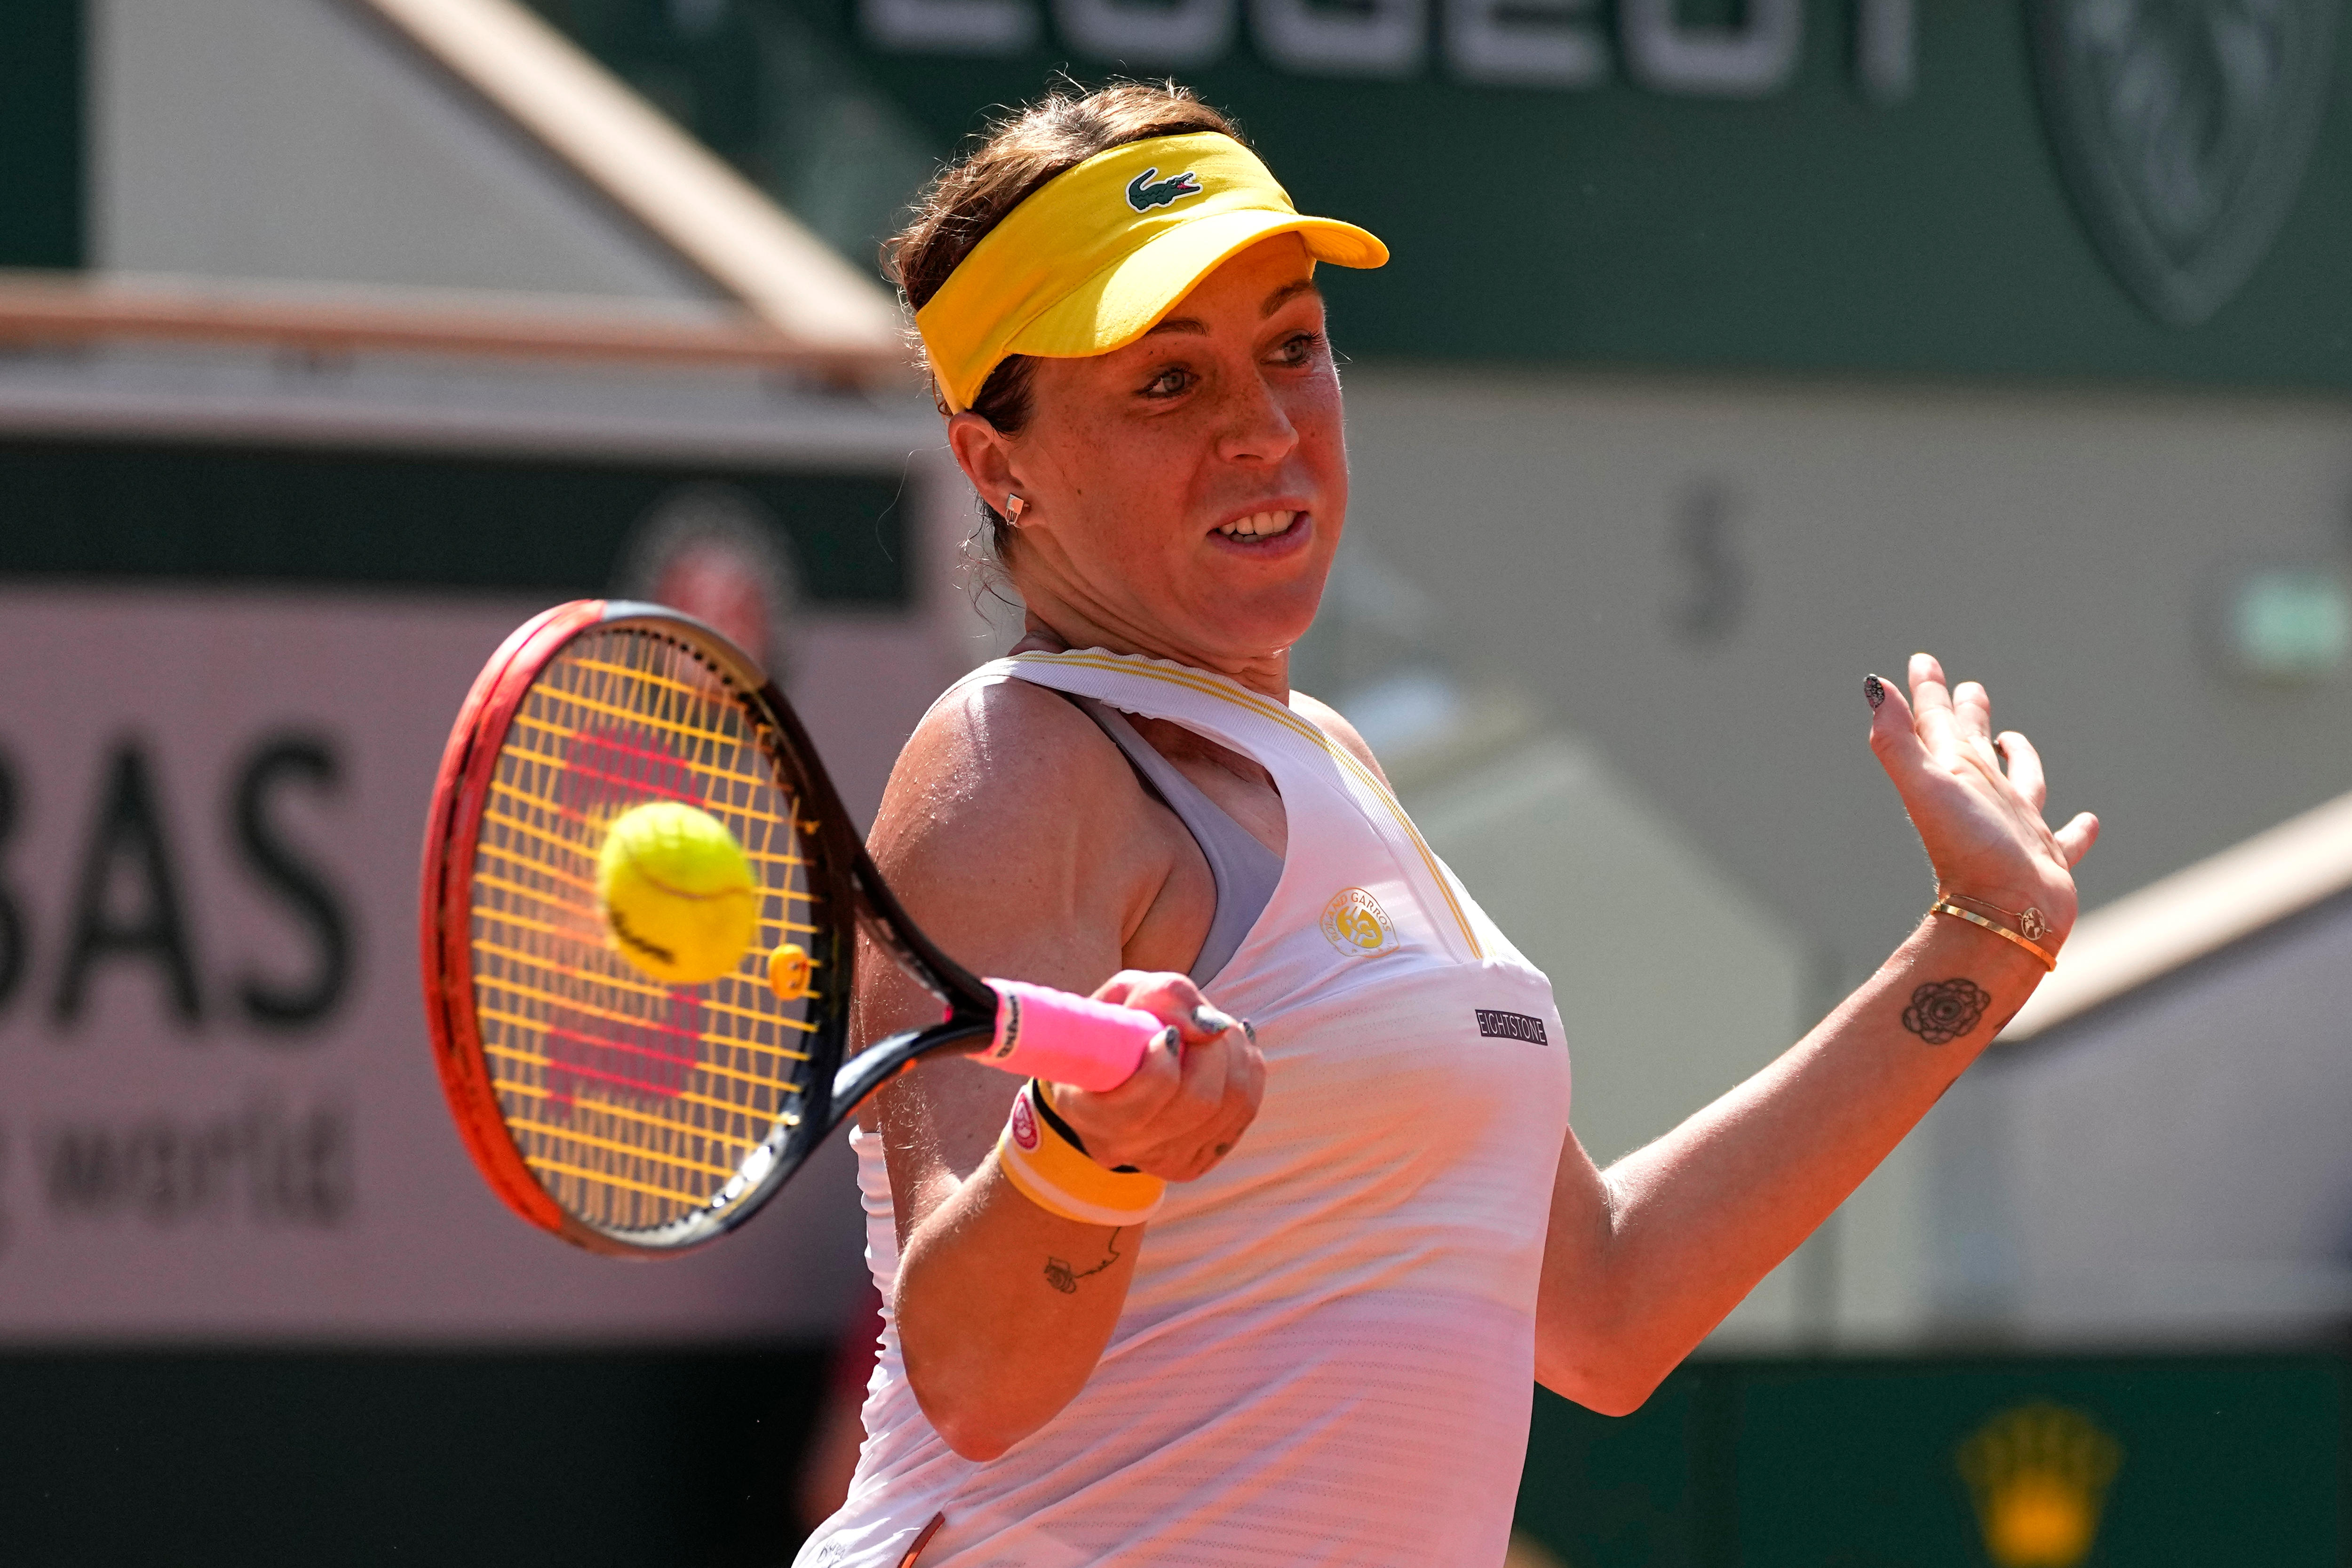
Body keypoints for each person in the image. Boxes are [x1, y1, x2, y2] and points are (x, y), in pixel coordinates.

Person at [794, 83, 2098, 1568]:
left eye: (1293, 350)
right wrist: (1089, 1154)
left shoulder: (1332, 763)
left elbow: (1605, 1311)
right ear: (998, 464)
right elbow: (972, 1377)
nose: (1263, 430)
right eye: (1167, 383)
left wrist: (1987, 942)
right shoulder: (1019, 757)